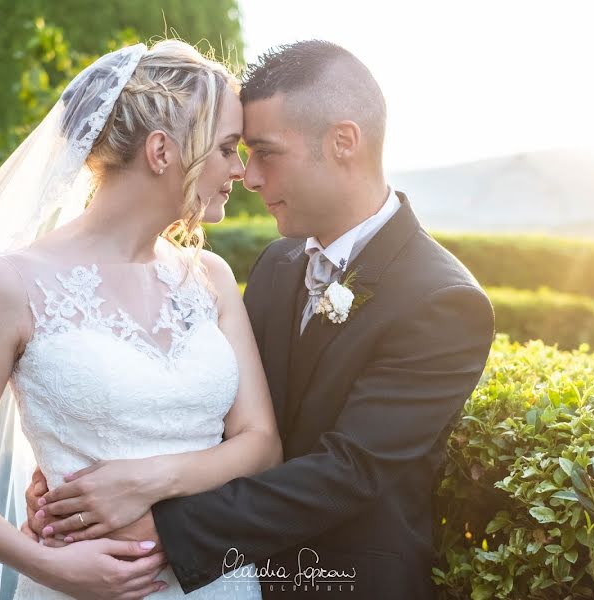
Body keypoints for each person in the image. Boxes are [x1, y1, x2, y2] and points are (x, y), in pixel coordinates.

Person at [24, 40, 496, 599]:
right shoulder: (277, 264)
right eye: (239, 152)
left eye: (266, 153)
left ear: (343, 142)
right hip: (230, 576)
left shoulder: (442, 299)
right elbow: (215, 409)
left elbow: (351, 471)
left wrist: (159, 526)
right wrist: (81, 471)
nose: (248, 177)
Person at [0, 39, 281, 599]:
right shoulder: (10, 286)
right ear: (162, 152)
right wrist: (47, 566)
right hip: (80, 584)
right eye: (228, 147)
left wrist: (149, 479)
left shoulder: (211, 278)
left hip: (218, 582)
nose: (240, 168)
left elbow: (261, 444)